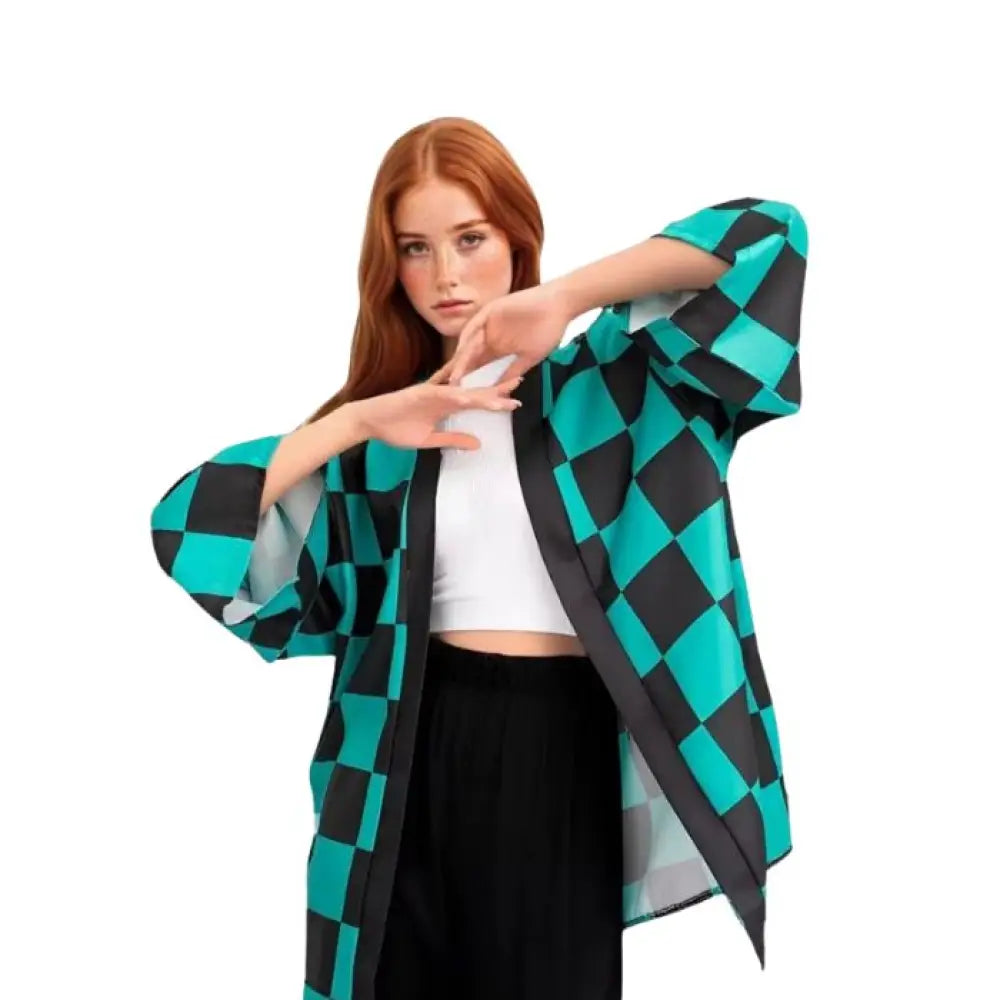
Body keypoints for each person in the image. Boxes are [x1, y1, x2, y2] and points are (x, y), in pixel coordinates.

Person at [150, 116, 807, 1000]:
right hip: (403, 753)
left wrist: (567, 296)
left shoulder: (620, 382)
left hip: (561, 747)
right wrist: (358, 419)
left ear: (516, 238)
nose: (446, 275)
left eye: (470, 238)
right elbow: (189, 527)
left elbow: (769, 238)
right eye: (415, 249)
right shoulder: (383, 444)